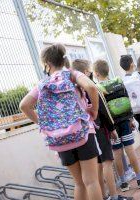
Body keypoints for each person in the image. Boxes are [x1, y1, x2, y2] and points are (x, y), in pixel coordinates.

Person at [19, 44, 102, 200]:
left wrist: (44, 124)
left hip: (60, 138)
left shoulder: (43, 84)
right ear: (63, 60)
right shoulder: (72, 75)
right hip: (82, 131)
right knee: (91, 181)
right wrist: (95, 110)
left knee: (78, 184)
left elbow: (24, 106)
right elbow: (91, 87)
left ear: (47, 64)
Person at [72, 59, 133, 200]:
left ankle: (104, 196)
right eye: (89, 70)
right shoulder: (90, 86)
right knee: (106, 162)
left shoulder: (74, 89)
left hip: (84, 131)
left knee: (98, 165)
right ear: (86, 71)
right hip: (98, 128)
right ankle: (113, 196)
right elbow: (103, 109)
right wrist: (111, 128)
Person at [92, 59, 140, 192]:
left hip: (112, 126)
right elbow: (127, 100)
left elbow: (103, 110)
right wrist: (130, 118)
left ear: (96, 73)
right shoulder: (118, 82)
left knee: (117, 153)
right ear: (108, 70)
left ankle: (123, 183)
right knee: (130, 150)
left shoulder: (98, 89)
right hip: (125, 120)